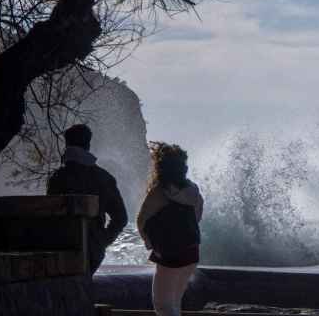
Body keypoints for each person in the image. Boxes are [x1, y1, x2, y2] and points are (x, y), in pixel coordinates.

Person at [47, 124, 128, 275]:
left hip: (60, 247)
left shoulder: (57, 178)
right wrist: (102, 241)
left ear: (67, 145)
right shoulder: (103, 178)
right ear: (88, 145)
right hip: (92, 250)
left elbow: (50, 215)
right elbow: (121, 218)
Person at [137, 142, 204, 316]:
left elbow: (142, 220)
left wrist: (151, 244)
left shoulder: (159, 192)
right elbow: (197, 217)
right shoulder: (193, 190)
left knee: (162, 306)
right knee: (174, 303)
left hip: (168, 253)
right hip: (191, 252)